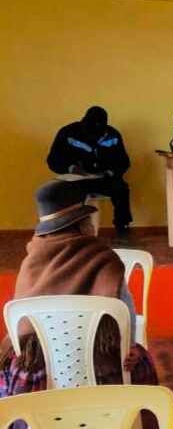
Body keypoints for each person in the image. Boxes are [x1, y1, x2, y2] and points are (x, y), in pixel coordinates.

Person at [0, 180, 158, 427]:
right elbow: (125, 320)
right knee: (141, 359)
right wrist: (132, 348)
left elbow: (19, 333)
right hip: (104, 373)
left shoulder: (29, 264)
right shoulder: (106, 259)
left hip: (39, 382)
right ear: (82, 224)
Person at [46, 106, 133, 241]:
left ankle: (123, 229)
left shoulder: (113, 135)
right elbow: (53, 161)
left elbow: (124, 162)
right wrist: (71, 168)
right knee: (65, 192)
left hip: (103, 178)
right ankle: (72, 233)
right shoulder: (68, 133)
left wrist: (110, 172)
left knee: (121, 189)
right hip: (76, 178)